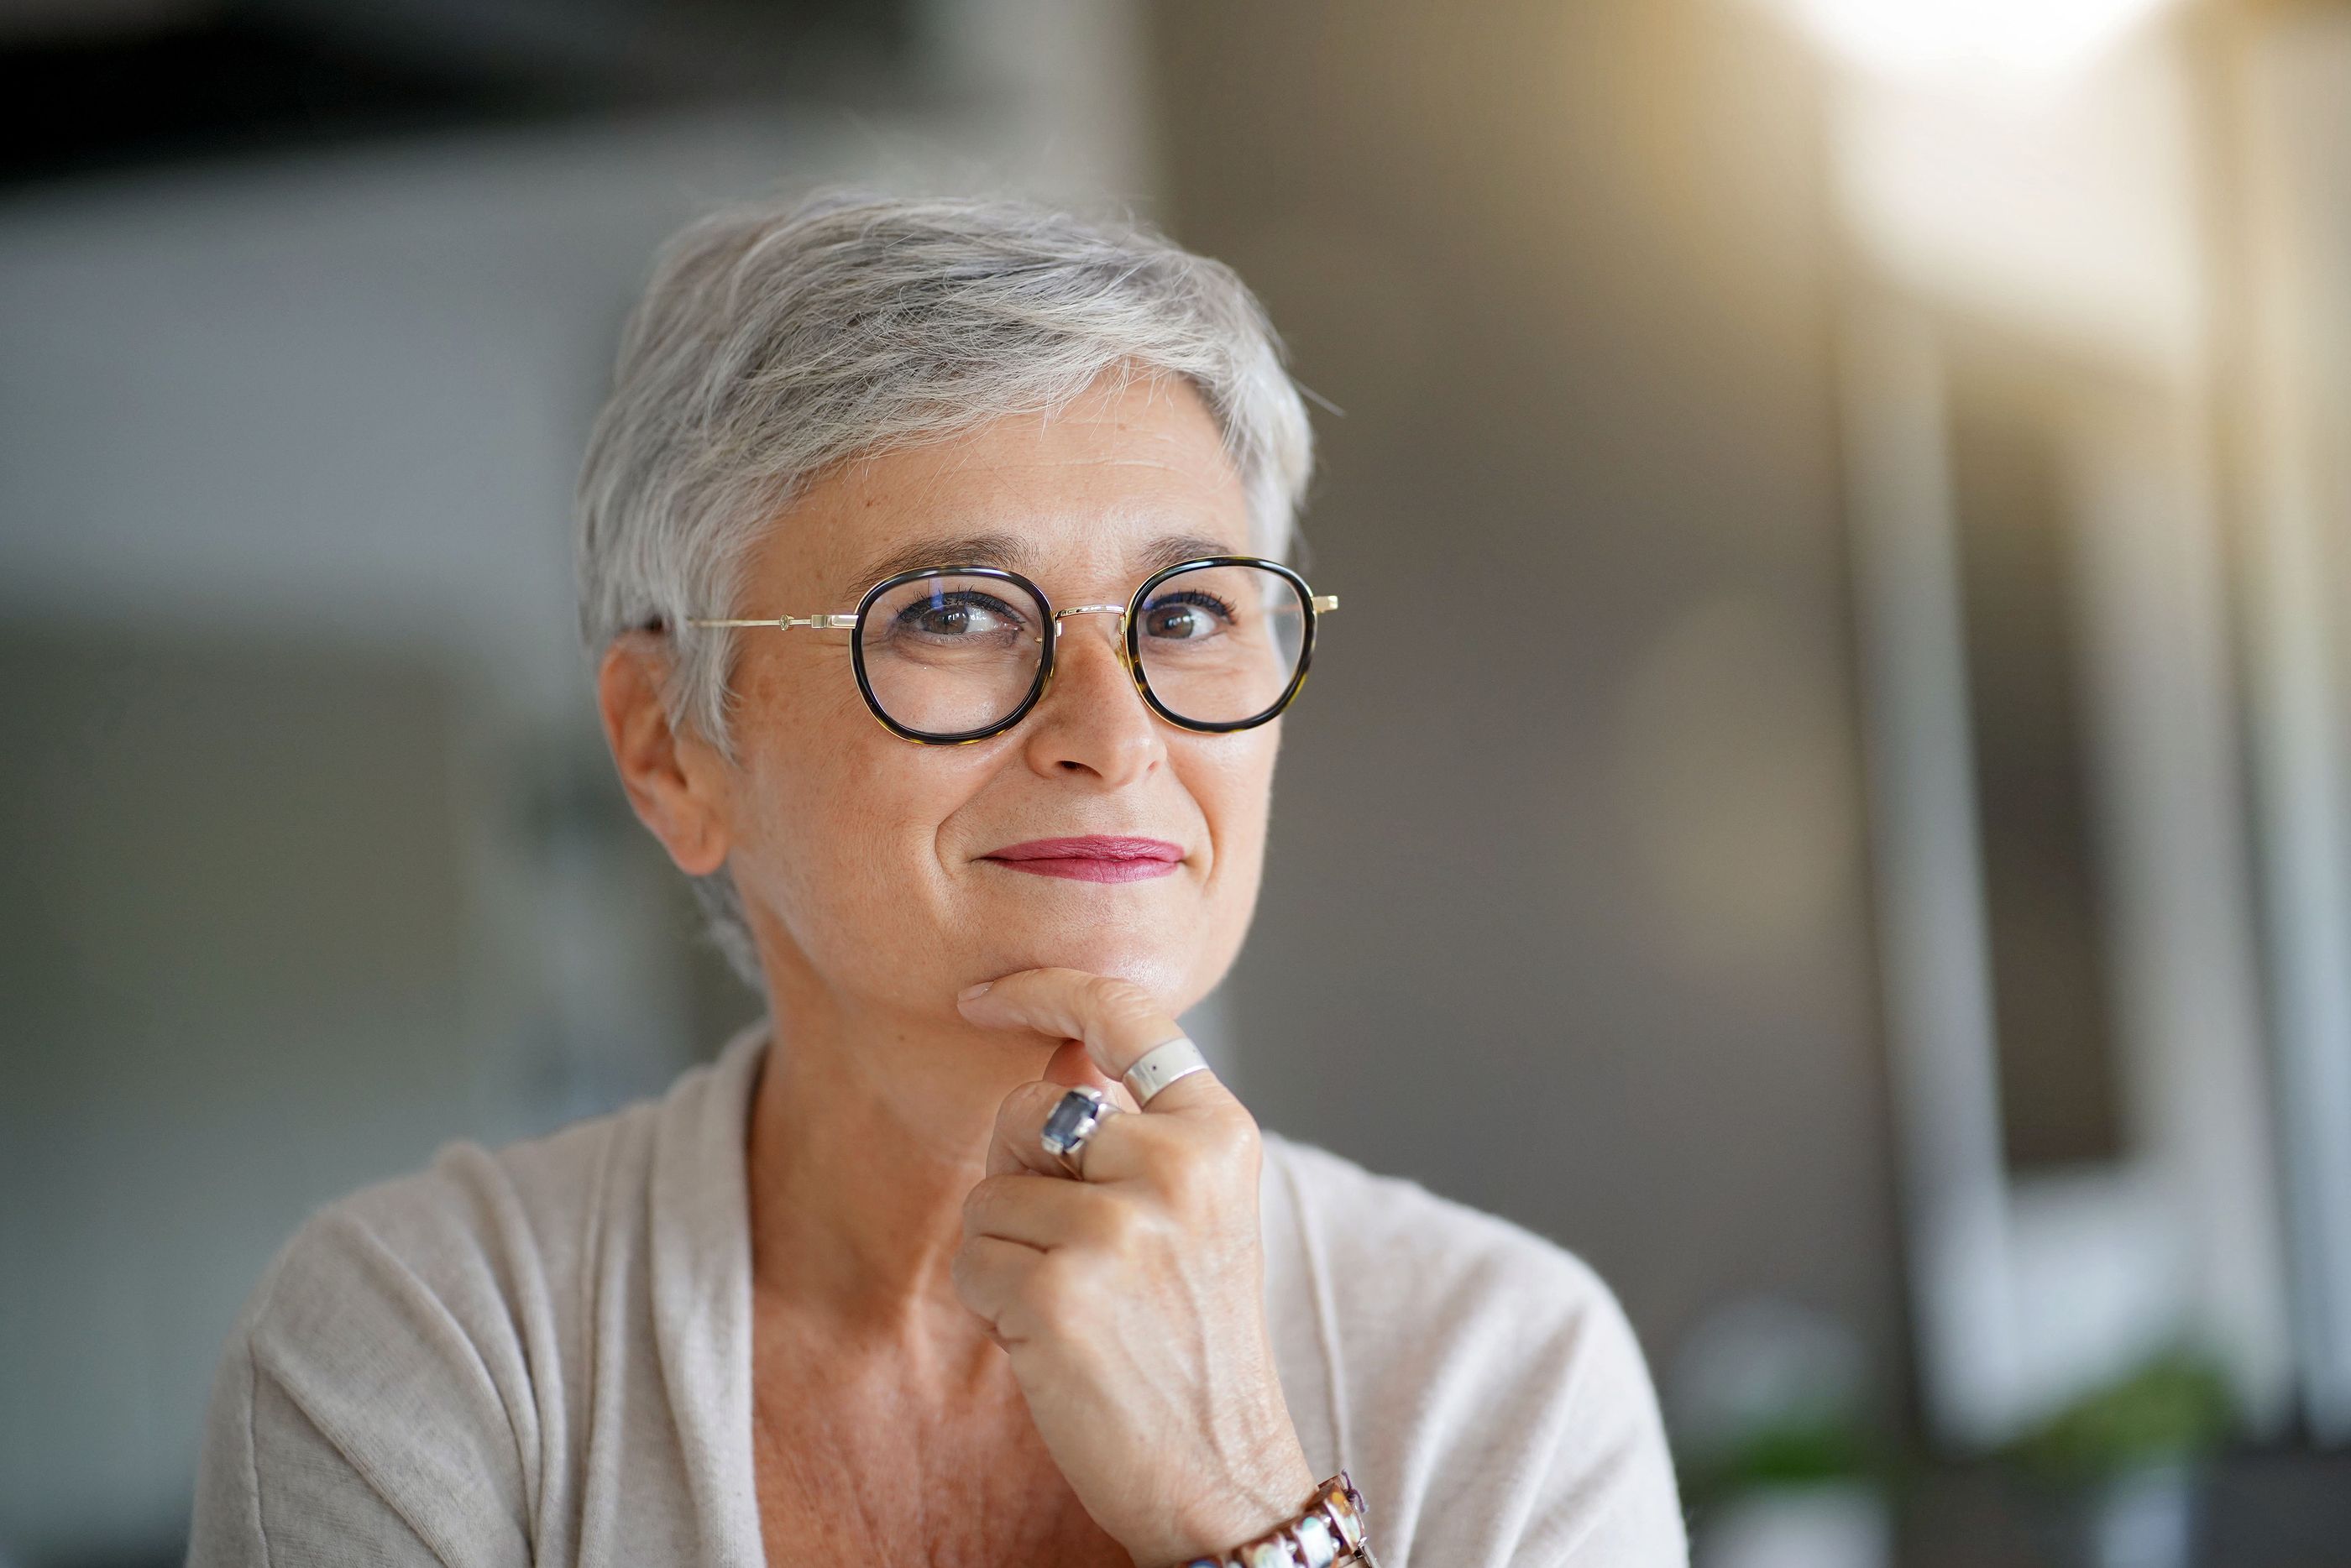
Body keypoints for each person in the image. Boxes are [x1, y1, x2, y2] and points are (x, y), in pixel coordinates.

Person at [186, 189, 1689, 1567]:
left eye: (1187, 613)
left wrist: (1246, 1511)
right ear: (669, 752)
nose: (1115, 734)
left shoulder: (1509, 1370)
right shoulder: (423, 1346)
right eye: (955, 611)